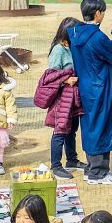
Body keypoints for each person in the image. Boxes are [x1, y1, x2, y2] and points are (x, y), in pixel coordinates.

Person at [68, 0, 112, 185]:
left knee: (90, 126)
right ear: (98, 13)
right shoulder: (98, 36)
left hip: (85, 86)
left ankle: (92, 168)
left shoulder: (74, 33)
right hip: (101, 86)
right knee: (103, 125)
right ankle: (98, 172)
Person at [40, 17, 83, 179]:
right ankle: (55, 166)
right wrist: (65, 80)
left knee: (71, 130)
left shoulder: (72, 47)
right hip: (62, 98)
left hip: (73, 98)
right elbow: (49, 76)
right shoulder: (58, 50)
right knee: (60, 131)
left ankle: (72, 160)